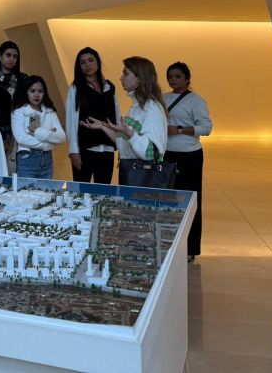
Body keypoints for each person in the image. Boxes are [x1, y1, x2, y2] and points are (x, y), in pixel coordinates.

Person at [83, 56, 168, 188]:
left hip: (143, 178)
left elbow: (150, 152)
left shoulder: (151, 108)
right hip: (131, 173)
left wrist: (129, 133)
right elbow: (124, 144)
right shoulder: (137, 106)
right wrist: (103, 127)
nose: (121, 78)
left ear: (140, 78)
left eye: (126, 73)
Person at [164, 61, 213, 262]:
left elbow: (207, 127)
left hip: (189, 155)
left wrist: (180, 129)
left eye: (177, 76)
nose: (173, 80)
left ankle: (190, 248)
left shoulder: (196, 101)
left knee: (190, 201)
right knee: (168, 201)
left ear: (187, 78)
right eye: (170, 77)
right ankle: (169, 244)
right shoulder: (163, 98)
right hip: (166, 154)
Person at [64, 47, 120, 184]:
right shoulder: (75, 88)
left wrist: (122, 146)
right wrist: (73, 150)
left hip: (107, 148)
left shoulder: (110, 87)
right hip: (84, 149)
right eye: (83, 62)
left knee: (103, 190)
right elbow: (71, 121)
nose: (87, 65)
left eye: (91, 60)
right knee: (81, 190)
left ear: (98, 62)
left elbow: (117, 118)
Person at [0, 41, 27, 169]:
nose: (12, 59)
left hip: (21, 132)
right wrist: (0, 134)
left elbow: (29, 105)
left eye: (15, 56)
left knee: (20, 170)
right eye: (8, 55)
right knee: (1, 170)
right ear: (0, 57)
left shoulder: (24, 79)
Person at [11, 75, 65, 179]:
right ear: (26, 92)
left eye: (40, 91)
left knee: (46, 190)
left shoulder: (49, 111)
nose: (36, 95)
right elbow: (21, 138)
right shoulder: (18, 112)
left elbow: (62, 137)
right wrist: (48, 143)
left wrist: (38, 132)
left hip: (47, 159)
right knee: (26, 190)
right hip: (27, 158)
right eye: (32, 91)